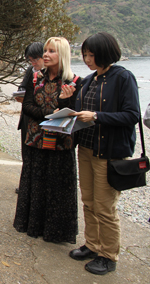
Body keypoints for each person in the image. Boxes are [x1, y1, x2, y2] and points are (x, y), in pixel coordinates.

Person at [68, 32, 139, 275]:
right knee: (88, 201)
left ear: (105, 54)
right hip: (86, 149)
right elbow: (79, 113)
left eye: (91, 55)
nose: (87, 59)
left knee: (105, 206)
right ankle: (92, 244)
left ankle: (109, 255)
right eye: (85, 55)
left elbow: (132, 115)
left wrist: (97, 116)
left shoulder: (123, 77)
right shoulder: (89, 80)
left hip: (108, 153)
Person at [13, 37, 81, 244]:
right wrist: (50, 113)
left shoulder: (75, 82)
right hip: (36, 140)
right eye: (45, 50)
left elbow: (73, 113)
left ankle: (56, 232)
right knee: (36, 182)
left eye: (52, 51)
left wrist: (65, 101)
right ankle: (32, 225)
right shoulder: (36, 78)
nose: (46, 54)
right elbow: (26, 105)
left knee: (58, 187)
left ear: (63, 55)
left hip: (61, 143)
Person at [15, 42, 44, 193]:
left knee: (39, 156)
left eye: (36, 59)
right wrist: (20, 93)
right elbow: (23, 86)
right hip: (27, 118)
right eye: (30, 60)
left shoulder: (49, 74)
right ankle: (26, 185)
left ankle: (37, 187)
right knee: (26, 154)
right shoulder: (30, 70)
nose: (33, 63)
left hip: (40, 120)